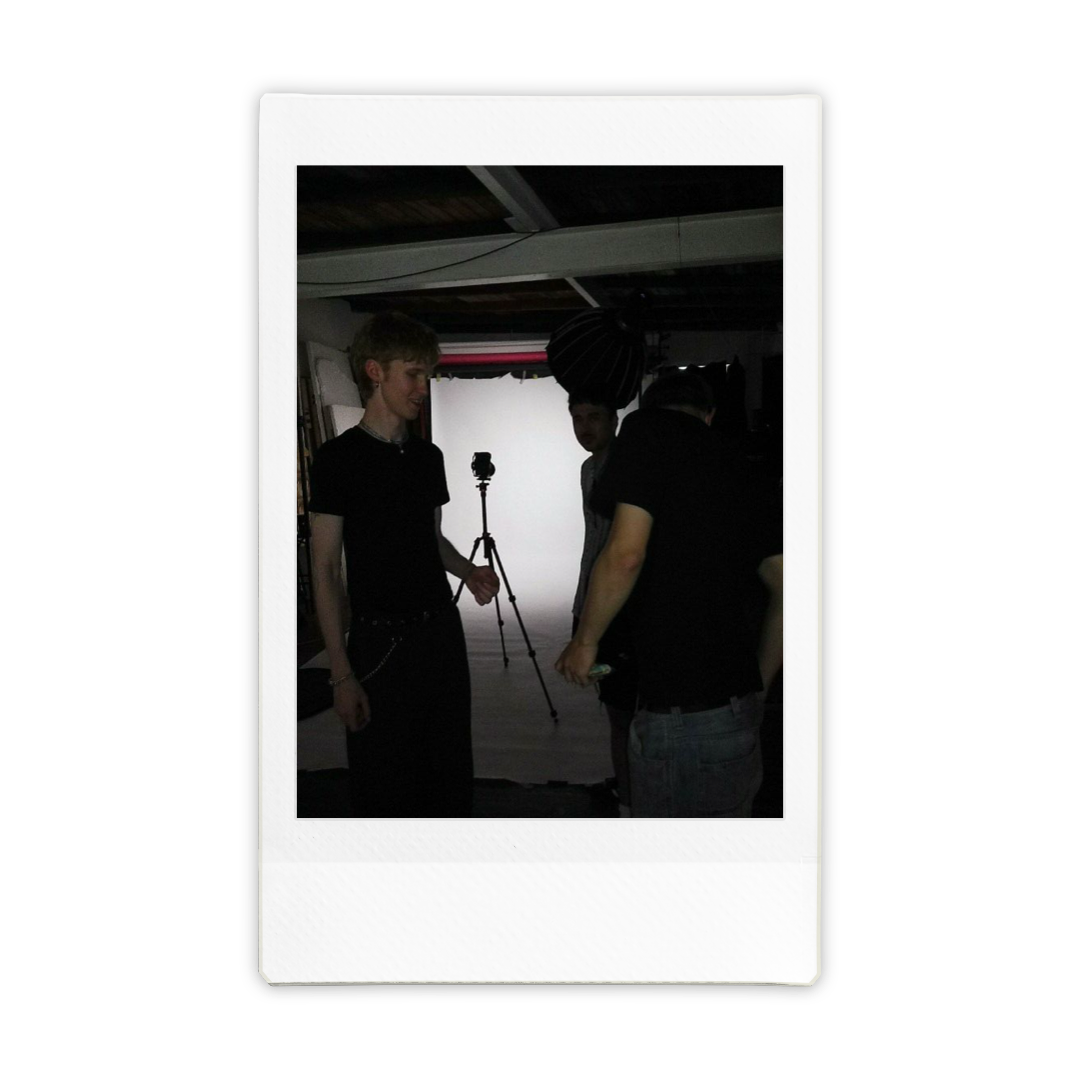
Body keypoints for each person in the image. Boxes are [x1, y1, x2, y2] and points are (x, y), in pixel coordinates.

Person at [555, 372, 782, 817]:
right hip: (737, 711)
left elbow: (625, 554)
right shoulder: (742, 463)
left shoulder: (646, 431)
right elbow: (791, 588)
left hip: (680, 717)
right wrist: (759, 684)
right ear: (710, 415)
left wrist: (584, 641)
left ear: (650, 412)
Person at [308, 312, 500, 817]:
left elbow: (430, 540)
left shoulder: (427, 457)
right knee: (383, 781)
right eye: (413, 374)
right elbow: (325, 570)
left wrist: (467, 570)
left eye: (427, 375)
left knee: (449, 772)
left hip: (439, 635)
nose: (423, 388)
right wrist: (341, 675)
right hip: (378, 644)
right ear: (375, 371)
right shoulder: (336, 461)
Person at [568, 387, 639, 816]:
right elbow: (593, 541)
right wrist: (581, 608)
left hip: (622, 606)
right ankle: (629, 793)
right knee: (613, 704)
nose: (584, 427)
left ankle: (634, 798)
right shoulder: (586, 469)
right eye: (577, 418)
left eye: (593, 417)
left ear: (614, 419)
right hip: (595, 601)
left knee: (624, 707)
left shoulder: (630, 469)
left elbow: (621, 549)